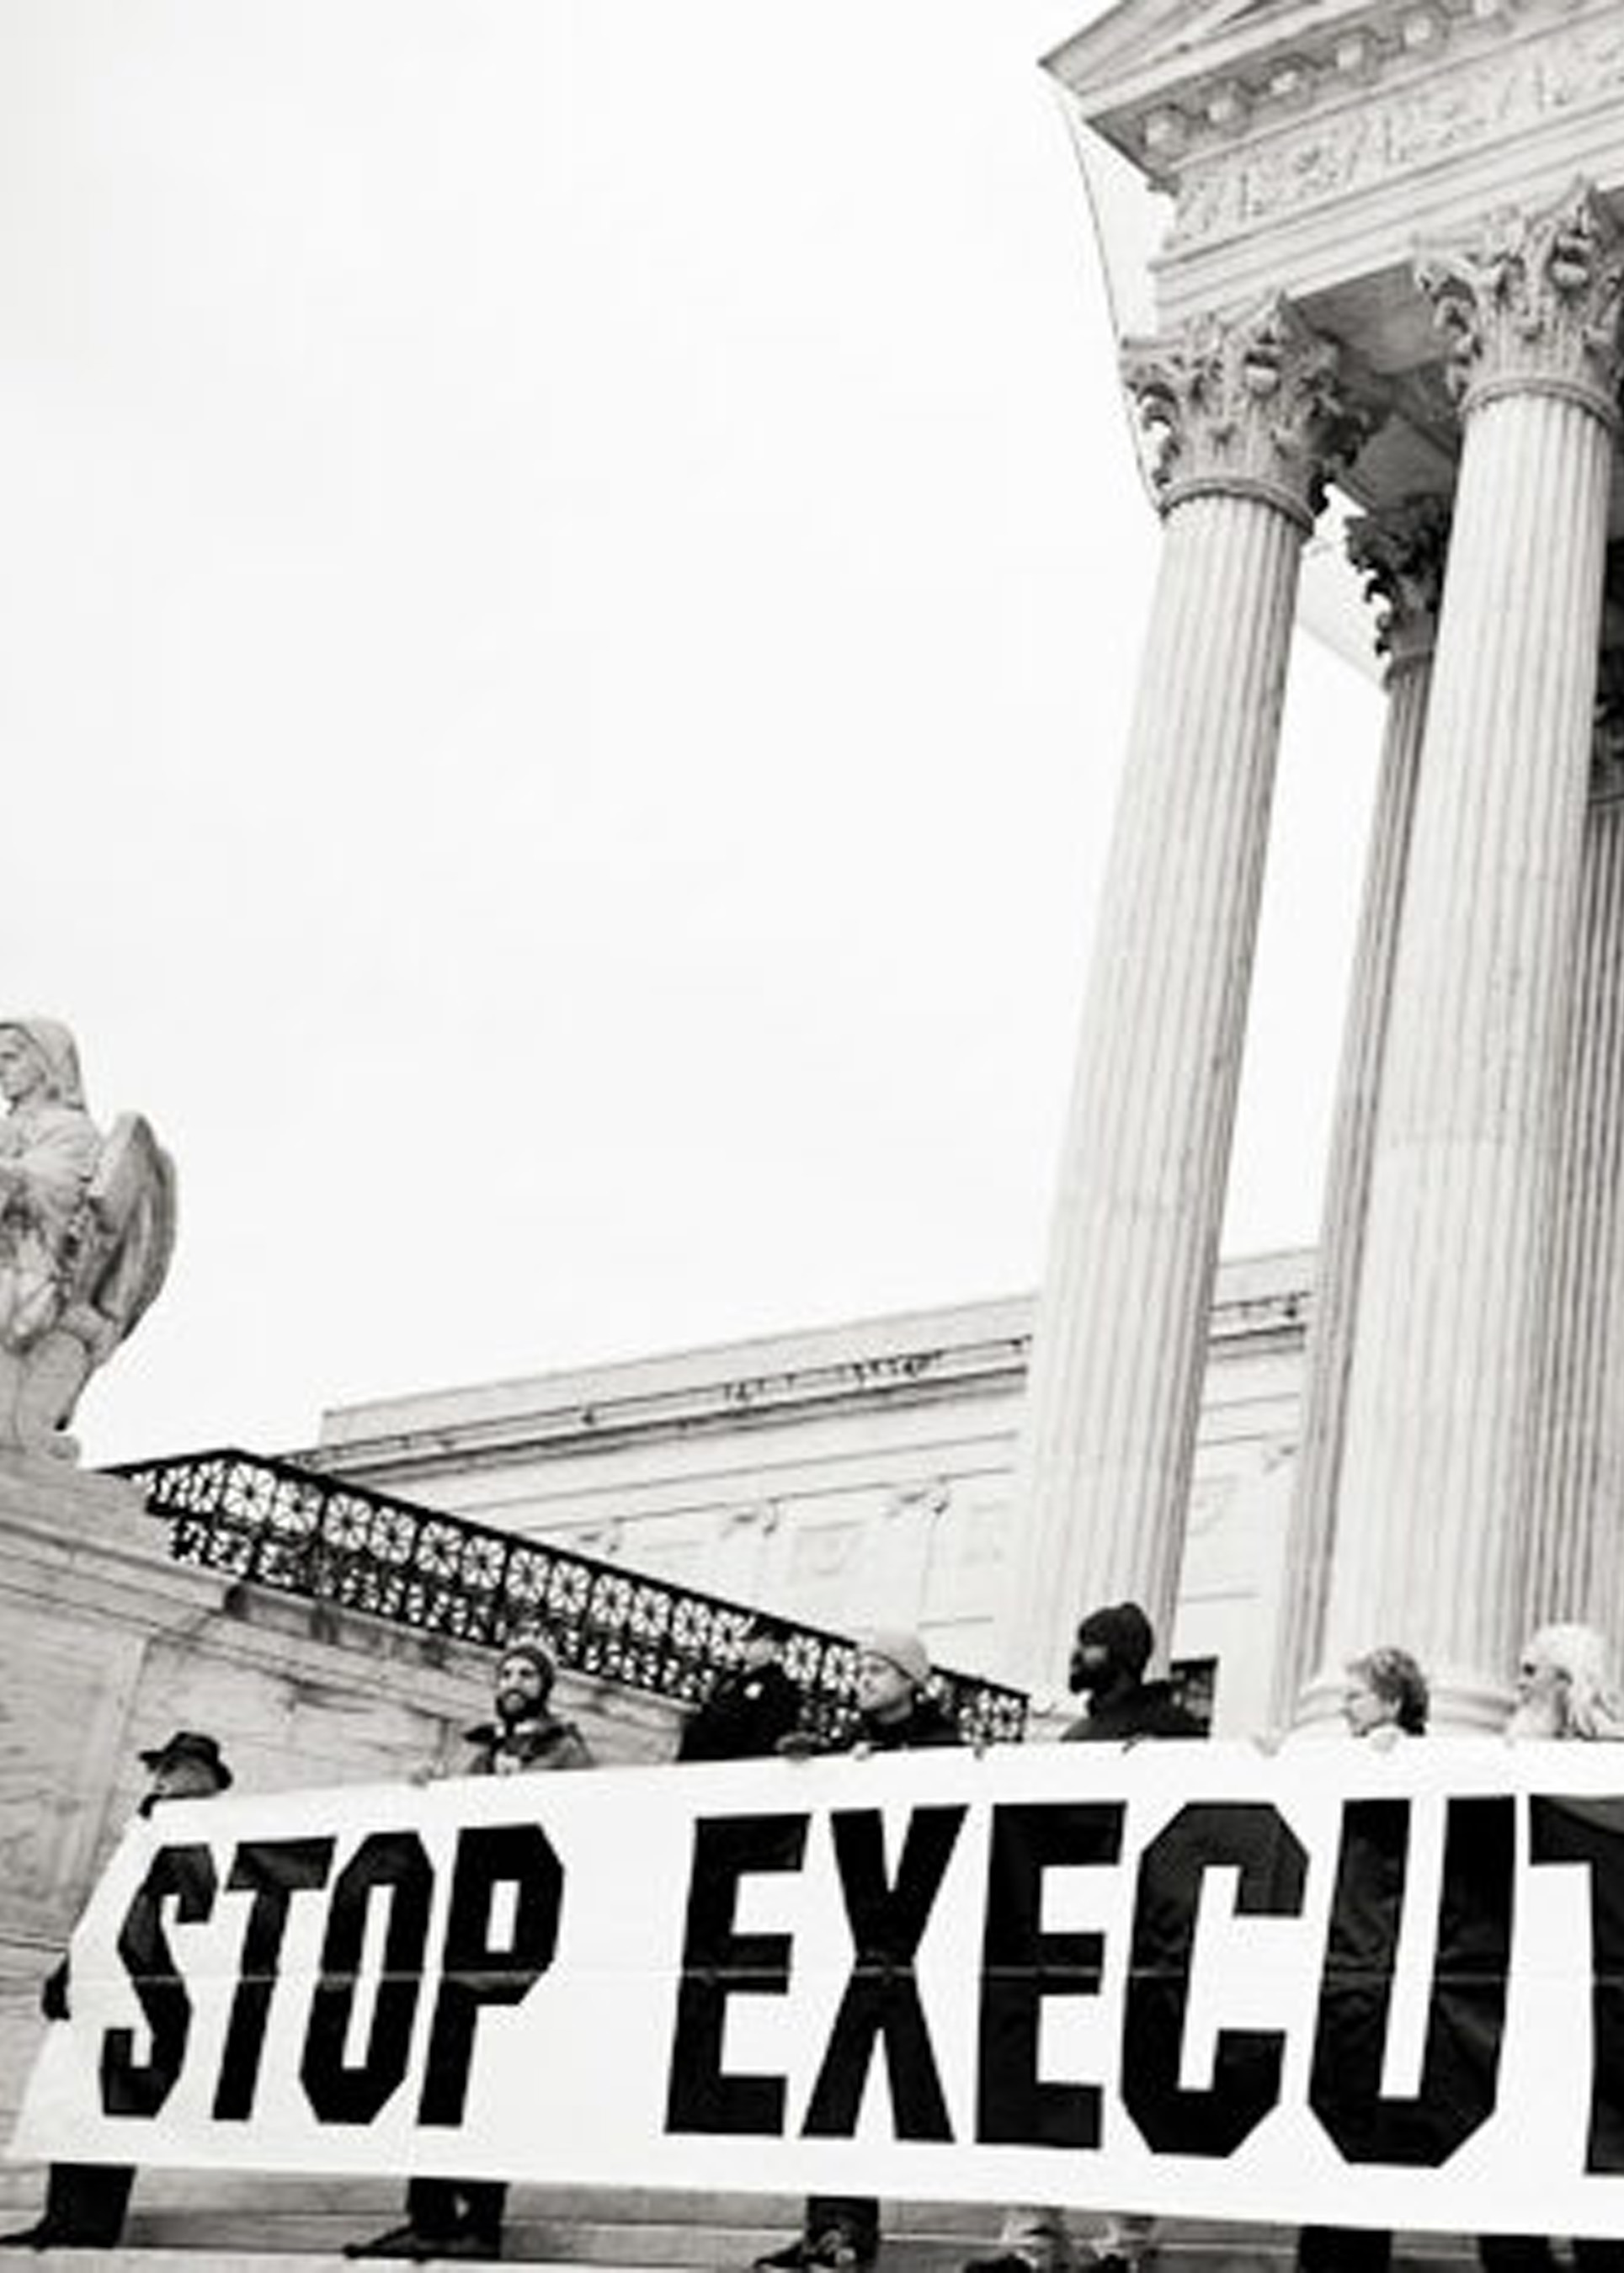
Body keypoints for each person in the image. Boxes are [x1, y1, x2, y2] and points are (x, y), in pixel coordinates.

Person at [961, 1601, 1204, 2273]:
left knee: (1129, 2090)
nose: (1075, 1656)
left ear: (1119, 1654)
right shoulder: (1076, 1737)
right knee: (1044, 2087)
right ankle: (1031, 2238)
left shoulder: (1175, 1731)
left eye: (1087, 1646)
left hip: (1138, 1943)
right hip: (1064, 1944)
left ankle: (1128, 2242)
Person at [344, 1634, 592, 2261]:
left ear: (545, 1686)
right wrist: (434, 1787)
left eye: (526, 1675)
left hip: (518, 1943)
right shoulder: (479, 1752)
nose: (512, 1682)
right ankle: (426, 2213)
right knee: (439, 2074)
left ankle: (482, 2219)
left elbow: (585, 1814)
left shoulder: (566, 1750)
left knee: (493, 2082)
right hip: (461, 1933)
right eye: (505, 1672)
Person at [753, 1627, 961, 2273]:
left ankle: (850, 2234)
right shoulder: (848, 1747)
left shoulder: (944, 1747)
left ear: (909, 1679)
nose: (863, 1679)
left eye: (877, 1668)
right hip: (851, 1943)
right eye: (859, 1668)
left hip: (911, 1942)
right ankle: (826, 2226)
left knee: (874, 2091)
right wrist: (808, 1770)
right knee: (837, 2084)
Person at [1, 1729, 234, 2251]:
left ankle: (93, 2222)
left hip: (151, 1988)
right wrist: (70, 1969)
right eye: (166, 1768)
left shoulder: (210, 1832)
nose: (168, 1777)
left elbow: (193, 1912)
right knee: (73, 2105)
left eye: (181, 1769)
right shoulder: (145, 1827)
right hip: (107, 1982)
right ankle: (61, 2217)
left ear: (207, 1780)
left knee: (115, 2108)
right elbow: (108, 1910)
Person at [1478, 1624, 1624, 2273]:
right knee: (1509, 2207)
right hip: (1531, 2007)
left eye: (1530, 1670)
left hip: (1608, 2010)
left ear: (1566, 1684)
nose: (1517, 1682)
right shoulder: (1505, 1764)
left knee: (1603, 2186)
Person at [1296, 1645, 1430, 2273]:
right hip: (1345, 1965)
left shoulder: (1420, 1765)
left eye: (1355, 1694)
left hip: (1375, 1968)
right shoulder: (1349, 1761)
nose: (1343, 1705)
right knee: (1333, 2121)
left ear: (1393, 1702)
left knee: (1360, 2125)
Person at [0, 1020, 99, 1356]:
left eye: (10, 1057)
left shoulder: (72, 1130)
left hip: (29, 1275)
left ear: (46, 1063)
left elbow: (49, 1186)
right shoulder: (7, 1129)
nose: (0, 1068)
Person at [678, 1613, 805, 1761]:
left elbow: (763, 1742)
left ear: (776, 1647)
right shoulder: (734, 1676)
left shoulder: (780, 1690)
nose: (747, 1646)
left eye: (757, 1640)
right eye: (749, 1640)